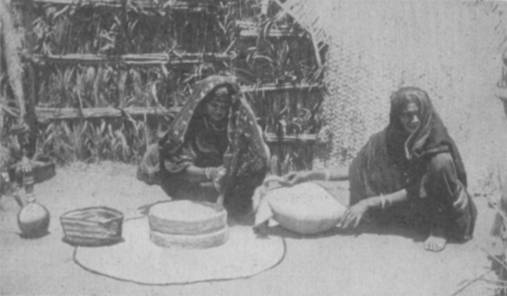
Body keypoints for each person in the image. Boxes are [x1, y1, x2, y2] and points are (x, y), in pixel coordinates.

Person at [284, 87, 477, 252]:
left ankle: (439, 228)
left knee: (440, 162)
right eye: (407, 115)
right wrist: (309, 174)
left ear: (426, 112)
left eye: (419, 113)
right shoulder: (386, 140)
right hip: (413, 204)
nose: (415, 120)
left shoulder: (435, 138)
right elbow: (358, 171)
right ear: (397, 115)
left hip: (443, 207)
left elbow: (419, 188)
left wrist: (369, 202)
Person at [137, 75, 270, 217]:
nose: (219, 111)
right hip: (194, 180)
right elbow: (177, 166)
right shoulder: (191, 127)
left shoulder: (233, 125)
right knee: (161, 159)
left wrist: (233, 171)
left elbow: (255, 156)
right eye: (214, 105)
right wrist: (211, 173)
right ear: (204, 104)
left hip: (222, 182)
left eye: (223, 107)